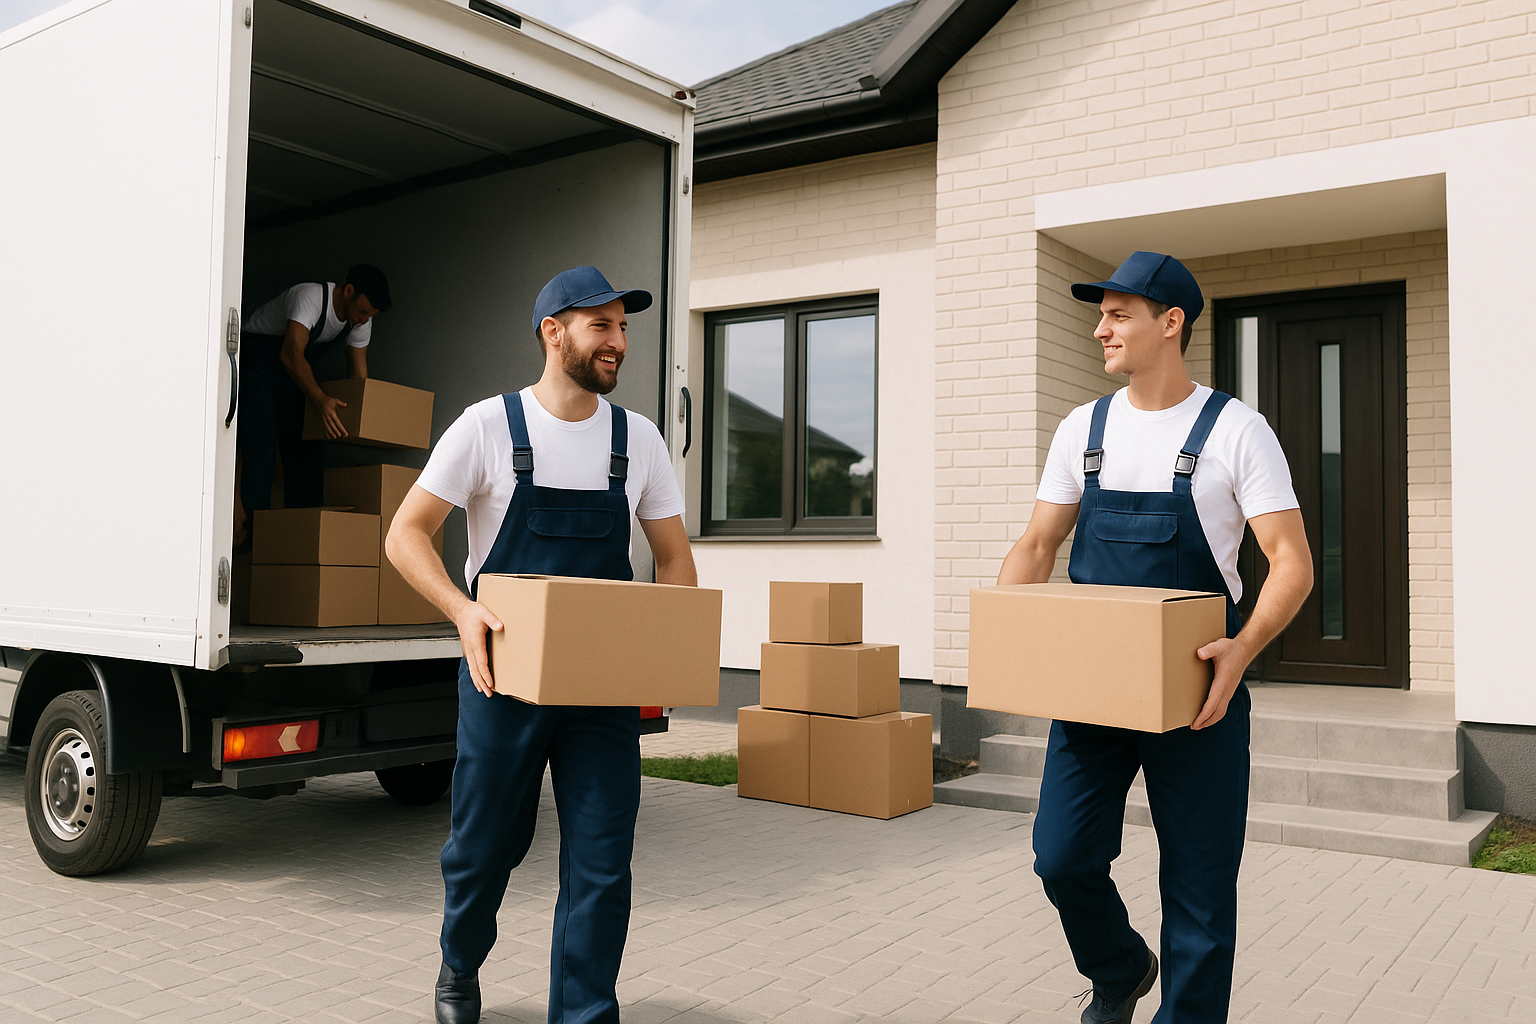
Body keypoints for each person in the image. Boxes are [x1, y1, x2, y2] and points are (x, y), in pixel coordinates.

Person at [995, 252, 1313, 1024]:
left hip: (1200, 692)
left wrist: (1245, 646)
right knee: (1061, 857)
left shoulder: (1237, 430)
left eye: (1118, 314)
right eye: (1100, 314)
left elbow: (1292, 563)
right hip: (1095, 690)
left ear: (1170, 323)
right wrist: (1010, 638)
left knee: (1199, 896)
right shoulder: (1085, 427)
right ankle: (1120, 966)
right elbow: (1038, 545)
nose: (1100, 328)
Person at [384, 265, 697, 1024]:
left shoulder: (640, 440)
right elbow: (405, 534)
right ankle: (460, 962)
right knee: (485, 848)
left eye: (624, 327)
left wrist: (670, 643)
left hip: (601, 693)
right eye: (603, 326)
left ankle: (585, 1013)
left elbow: (675, 558)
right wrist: (462, 612)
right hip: (504, 683)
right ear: (553, 333)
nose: (619, 341)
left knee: (601, 865)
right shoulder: (488, 428)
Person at [237, 264, 392, 535]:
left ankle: (303, 533)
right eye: (364, 312)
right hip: (260, 362)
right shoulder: (309, 297)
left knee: (304, 445)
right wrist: (321, 400)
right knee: (261, 442)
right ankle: (255, 530)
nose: (365, 320)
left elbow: (358, 376)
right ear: (348, 291)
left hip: (293, 373)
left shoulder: (360, 321)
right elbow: (290, 354)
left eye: (371, 315)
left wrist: (361, 418)